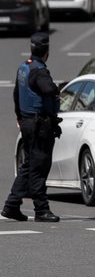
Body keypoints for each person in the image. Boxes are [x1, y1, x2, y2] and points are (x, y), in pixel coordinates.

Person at [2, 33, 61, 223]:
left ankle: (11, 205)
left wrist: (20, 117)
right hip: (39, 125)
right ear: (47, 52)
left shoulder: (24, 67)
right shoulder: (40, 71)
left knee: (28, 165)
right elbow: (48, 90)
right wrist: (56, 90)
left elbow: (16, 94)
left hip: (28, 122)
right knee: (39, 166)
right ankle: (41, 210)